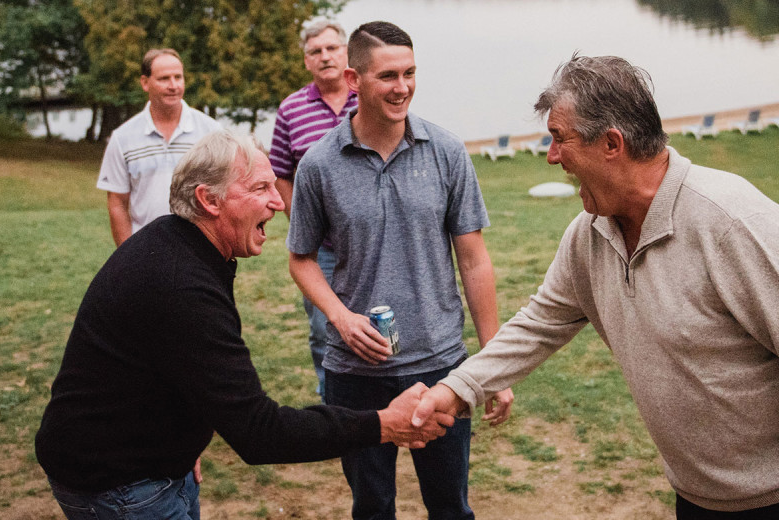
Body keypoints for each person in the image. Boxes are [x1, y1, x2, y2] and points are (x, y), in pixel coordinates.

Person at [412, 54, 779, 518]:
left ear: (611, 143)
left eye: (559, 138)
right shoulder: (590, 234)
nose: (550, 155)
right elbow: (540, 323)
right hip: (698, 497)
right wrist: (457, 389)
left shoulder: (731, 222)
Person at [35, 129, 453, 520]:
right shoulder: (181, 284)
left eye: (275, 185)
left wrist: (178, 438)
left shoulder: (179, 243)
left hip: (153, 463)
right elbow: (260, 432)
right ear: (209, 200)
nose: (278, 202)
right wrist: (383, 423)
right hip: (119, 485)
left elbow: (168, 367)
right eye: (260, 188)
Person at [286, 21, 513, 520]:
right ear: (353, 80)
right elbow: (300, 257)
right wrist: (341, 320)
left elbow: (474, 261)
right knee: (371, 507)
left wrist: (494, 364)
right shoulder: (319, 164)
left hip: (440, 367)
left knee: (450, 507)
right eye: (388, 75)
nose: (403, 87)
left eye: (410, 73)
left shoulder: (448, 152)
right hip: (354, 373)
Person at [268, 18, 357, 402]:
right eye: (315, 52)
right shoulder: (291, 110)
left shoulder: (368, 97)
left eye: (332, 48)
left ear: (347, 53)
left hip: (374, 240)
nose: (325, 57)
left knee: (382, 319)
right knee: (324, 327)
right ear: (306, 62)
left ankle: (388, 397)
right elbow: (280, 172)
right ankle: (332, 403)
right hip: (318, 248)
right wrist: (299, 218)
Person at [96, 48, 221, 246]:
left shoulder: (212, 132)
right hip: (147, 250)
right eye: (164, 79)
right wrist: (128, 255)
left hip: (201, 250)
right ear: (145, 83)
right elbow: (118, 203)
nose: (174, 85)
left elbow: (224, 193)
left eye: (178, 77)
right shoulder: (123, 138)